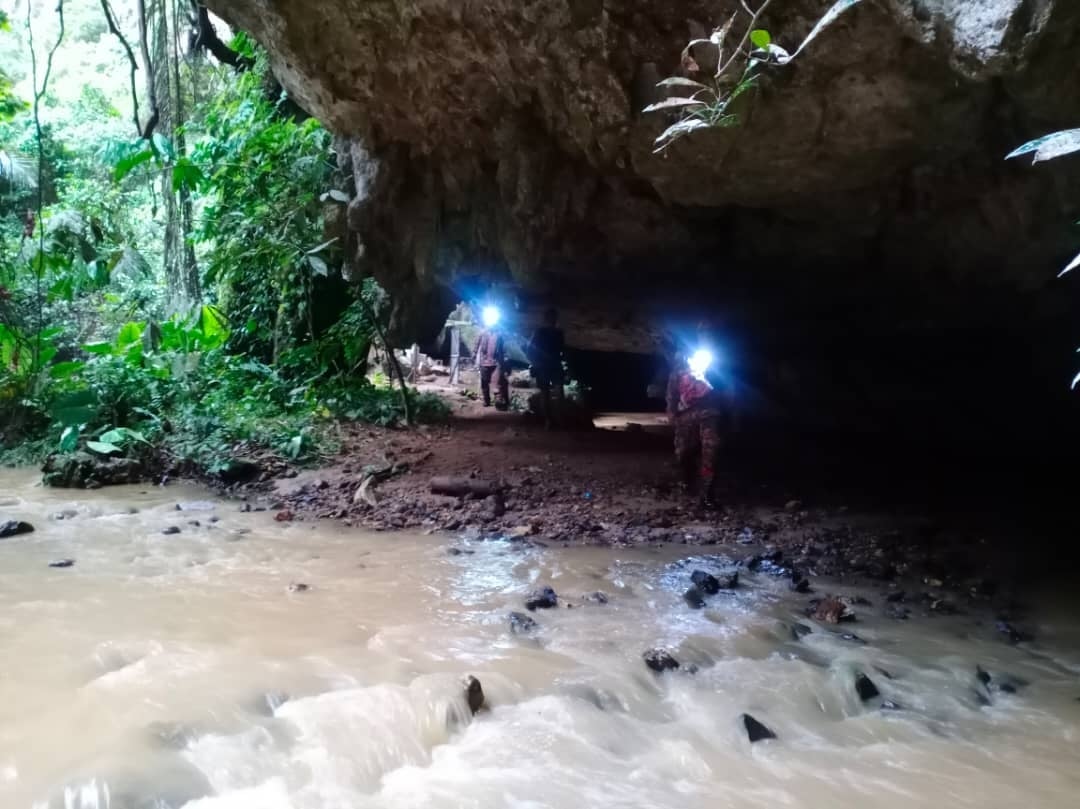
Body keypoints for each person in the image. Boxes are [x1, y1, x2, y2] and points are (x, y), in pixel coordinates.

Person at [666, 345, 725, 508]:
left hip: (709, 414)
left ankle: (707, 493)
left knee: (711, 450)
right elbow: (671, 395)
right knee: (683, 453)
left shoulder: (713, 371)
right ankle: (687, 481)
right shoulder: (678, 373)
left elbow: (725, 391)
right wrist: (671, 413)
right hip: (685, 416)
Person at [528, 307, 565, 428]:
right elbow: (562, 351)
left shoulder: (539, 332)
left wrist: (535, 363)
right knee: (558, 392)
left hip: (544, 366)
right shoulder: (558, 333)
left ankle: (549, 421)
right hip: (553, 365)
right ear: (555, 319)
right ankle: (558, 420)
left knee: (546, 393)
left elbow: (530, 349)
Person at [475, 308, 509, 410]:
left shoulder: (499, 334)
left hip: (496, 363)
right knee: (484, 382)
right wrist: (473, 355)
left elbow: (503, 348)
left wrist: (505, 360)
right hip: (484, 362)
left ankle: (498, 401)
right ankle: (486, 400)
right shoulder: (482, 333)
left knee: (497, 382)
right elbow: (476, 345)